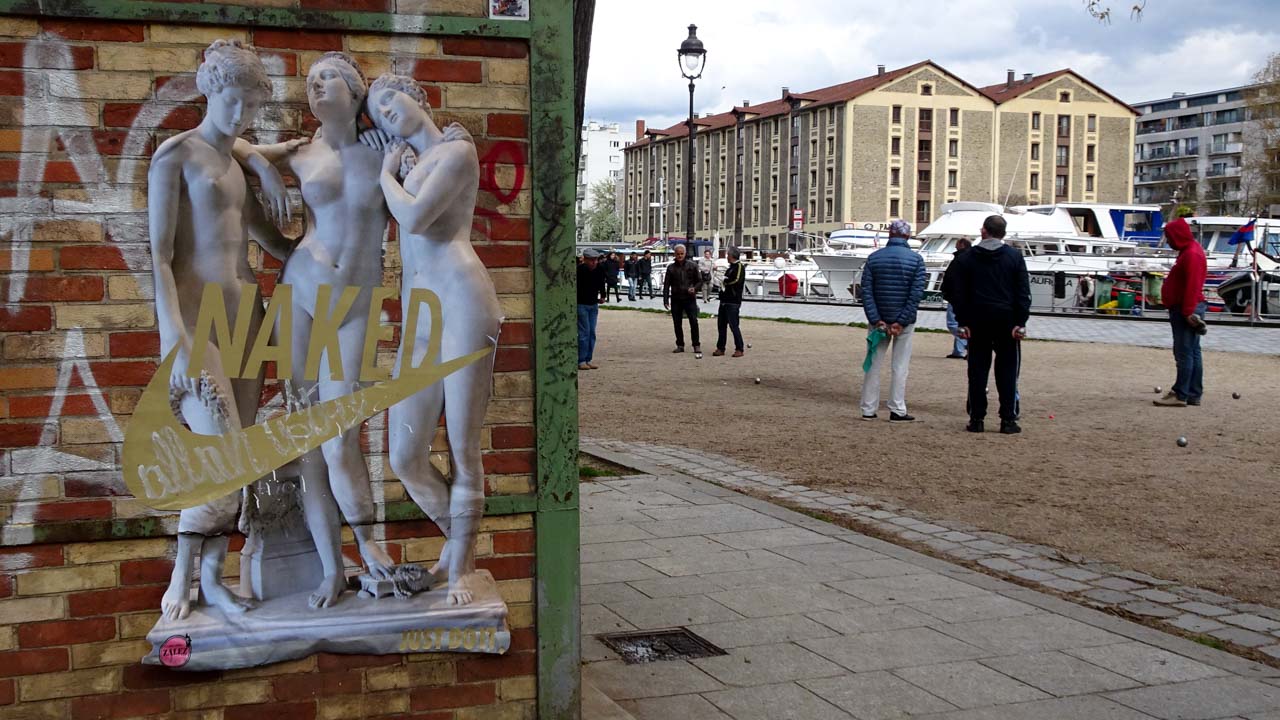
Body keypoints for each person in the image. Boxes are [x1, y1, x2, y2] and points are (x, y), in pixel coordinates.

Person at [234, 51, 406, 609]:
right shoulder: (300, 153)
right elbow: (225, 144)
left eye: (328, 77)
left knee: (339, 437)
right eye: (310, 80)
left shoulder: (384, 148)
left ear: (355, 91)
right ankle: (333, 569)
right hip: (301, 294)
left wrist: (396, 145)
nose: (316, 86)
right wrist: (265, 166)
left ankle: (368, 543)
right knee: (309, 440)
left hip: (354, 304)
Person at [149, 40, 288, 620]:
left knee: (239, 460)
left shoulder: (236, 162)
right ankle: (180, 575)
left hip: (245, 317)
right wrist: (174, 339)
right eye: (234, 101)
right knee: (221, 458)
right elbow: (159, 256)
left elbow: (275, 243)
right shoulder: (176, 155)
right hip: (196, 322)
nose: (241, 115)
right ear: (210, 91)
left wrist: (338, 231)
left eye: (252, 105)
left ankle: (212, 578)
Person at [372, 73, 502, 606]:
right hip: (421, 316)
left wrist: (385, 173)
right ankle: (457, 545)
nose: (385, 112)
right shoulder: (412, 166)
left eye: (390, 99)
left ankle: (462, 568)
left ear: (418, 96)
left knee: (462, 447)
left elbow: (415, 217)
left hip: (463, 300)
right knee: (405, 454)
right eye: (376, 112)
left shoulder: (456, 152)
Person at [950, 215, 1031, 434]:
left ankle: (977, 418)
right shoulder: (1014, 257)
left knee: (977, 370)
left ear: (984, 231)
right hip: (1006, 319)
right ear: (1003, 233)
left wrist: (962, 320)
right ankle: (1008, 419)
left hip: (977, 319)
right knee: (1008, 371)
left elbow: (958, 293)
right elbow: (1023, 292)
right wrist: (1020, 322)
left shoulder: (967, 258)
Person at [859, 219, 926, 422]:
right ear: (907, 236)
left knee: (873, 363)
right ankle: (897, 408)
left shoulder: (873, 258)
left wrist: (876, 319)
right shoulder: (916, 260)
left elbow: (867, 292)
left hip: (878, 320)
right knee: (900, 365)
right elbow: (916, 294)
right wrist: (902, 321)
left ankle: (868, 408)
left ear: (890, 234)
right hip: (903, 322)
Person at [1154, 217, 1208, 407]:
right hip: (1186, 306)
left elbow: (1192, 286)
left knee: (1184, 352)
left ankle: (1181, 393)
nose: (1168, 242)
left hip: (1185, 308)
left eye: (1169, 237)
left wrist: (1187, 312)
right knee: (1192, 351)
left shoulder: (1191, 254)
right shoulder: (1190, 251)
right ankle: (1192, 393)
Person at [663, 243, 703, 357]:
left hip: (689, 298)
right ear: (675, 254)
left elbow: (700, 281)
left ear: (685, 254)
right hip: (676, 298)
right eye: (678, 254)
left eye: (682, 253)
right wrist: (665, 299)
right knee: (677, 323)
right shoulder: (671, 268)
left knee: (693, 321)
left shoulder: (692, 266)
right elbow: (666, 285)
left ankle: (696, 344)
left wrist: (694, 289)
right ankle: (680, 344)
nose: (680, 256)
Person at [941, 237, 972, 359]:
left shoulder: (959, 259)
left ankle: (969, 343)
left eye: (957, 244)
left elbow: (952, 278)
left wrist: (947, 291)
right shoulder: (970, 258)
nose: (955, 246)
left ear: (962, 244)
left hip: (956, 296)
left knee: (952, 323)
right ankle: (958, 351)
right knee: (960, 322)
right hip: (965, 296)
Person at [577, 248, 607, 369]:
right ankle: (581, 360)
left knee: (591, 333)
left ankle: (588, 358)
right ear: (585, 260)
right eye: (591, 260)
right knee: (584, 332)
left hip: (593, 304)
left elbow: (602, 283)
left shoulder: (600, 269)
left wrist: (603, 296)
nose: (594, 262)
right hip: (581, 304)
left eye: (596, 260)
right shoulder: (579, 270)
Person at [713, 247, 746, 357]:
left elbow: (736, 280)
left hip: (733, 301)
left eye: (728, 255)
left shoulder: (739, 267)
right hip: (724, 300)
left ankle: (739, 348)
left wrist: (725, 281)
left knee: (734, 325)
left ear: (732, 256)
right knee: (721, 325)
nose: (727, 256)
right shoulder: (730, 268)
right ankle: (720, 348)